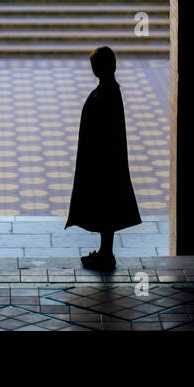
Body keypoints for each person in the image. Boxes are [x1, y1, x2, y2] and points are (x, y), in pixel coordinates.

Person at [66, 46, 142, 272]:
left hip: (102, 162)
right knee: (106, 206)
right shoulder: (111, 90)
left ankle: (106, 254)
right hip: (108, 160)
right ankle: (104, 252)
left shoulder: (104, 95)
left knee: (105, 206)